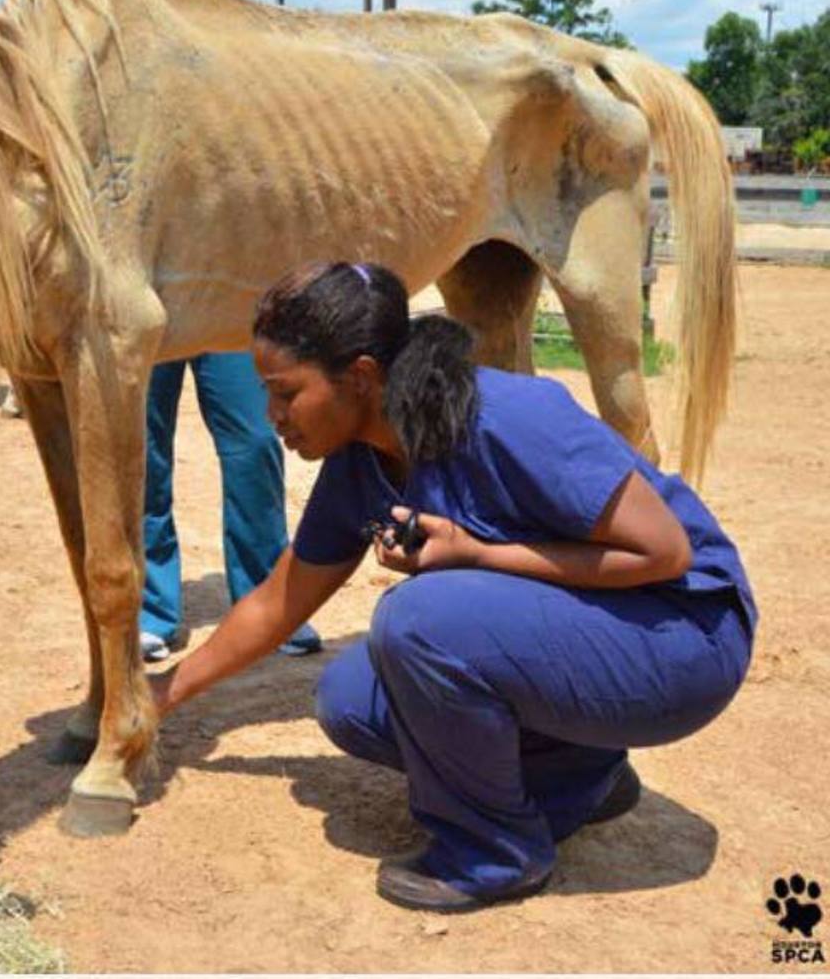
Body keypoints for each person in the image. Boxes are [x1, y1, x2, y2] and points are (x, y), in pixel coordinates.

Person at [150, 261, 756, 912]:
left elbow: (664, 551)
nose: (274, 415)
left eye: (286, 392)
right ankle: (580, 774)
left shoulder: (506, 416)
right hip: (611, 634)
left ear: (359, 376)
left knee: (418, 619)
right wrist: (156, 695)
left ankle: (496, 850)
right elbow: (278, 602)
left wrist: (476, 553)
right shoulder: (359, 458)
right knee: (351, 698)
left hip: (685, 635)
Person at [135, 0, 321, 662]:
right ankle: (156, 605)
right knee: (142, 456)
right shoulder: (129, 67)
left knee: (253, 445)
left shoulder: (243, 68)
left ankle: (264, 600)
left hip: (229, 294)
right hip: (144, 293)